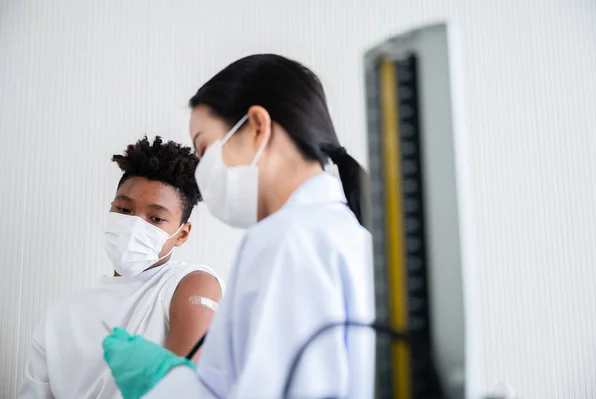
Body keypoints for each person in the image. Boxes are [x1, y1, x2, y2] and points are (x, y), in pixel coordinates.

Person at [102, 54, 375, 398]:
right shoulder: (346, 233)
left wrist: (163, 383)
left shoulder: (287, 239)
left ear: (258, 127)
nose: (201, 172)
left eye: (204, 150)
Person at [18, 137, 224, 399]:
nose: (134, 225)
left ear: (182, 235)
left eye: (156, 218)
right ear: (110, 209)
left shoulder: (189, 284)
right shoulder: (60, 314)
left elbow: (187, 386)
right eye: (124, 209)